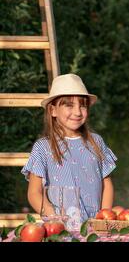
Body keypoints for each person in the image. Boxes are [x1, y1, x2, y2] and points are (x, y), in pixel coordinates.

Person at [21, 73, 117, 226]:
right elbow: (34, 192)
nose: (78, 112)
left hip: (94, 227)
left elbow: (107, 185)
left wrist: (104, 218)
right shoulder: (43, 147)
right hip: (60, 228)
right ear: (53, 110)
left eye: (82, 105)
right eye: (69, 105)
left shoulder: (96, 142)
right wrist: (53, 217)